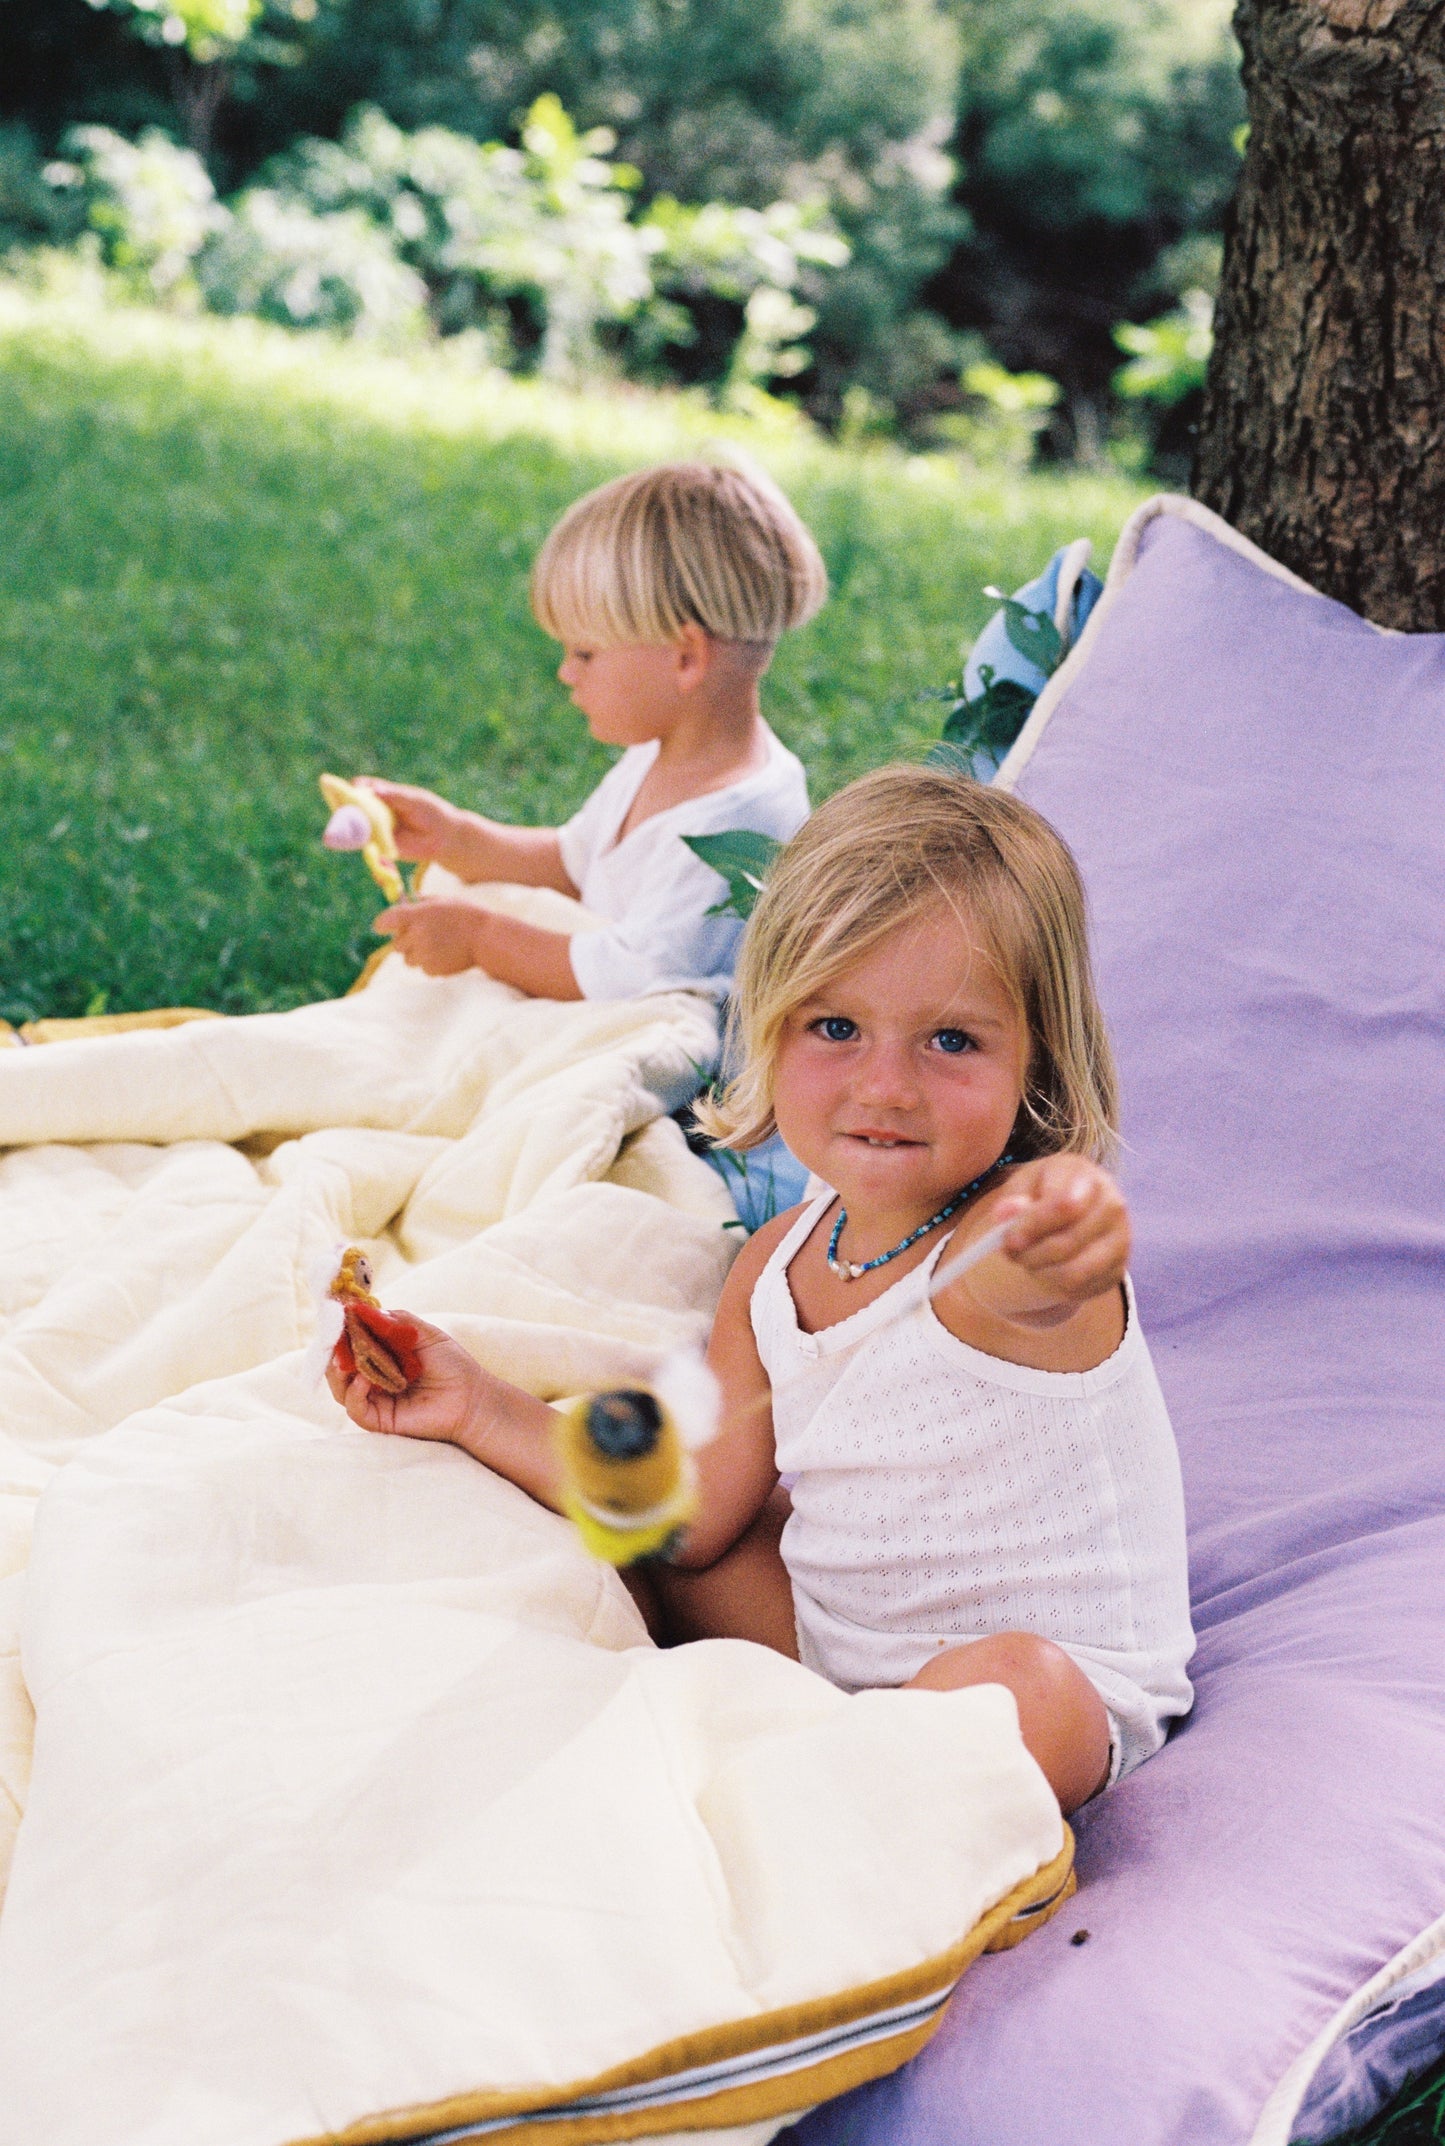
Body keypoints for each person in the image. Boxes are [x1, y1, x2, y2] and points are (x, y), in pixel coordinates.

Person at [326, 765, 1195, 1815]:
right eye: (834, 1027)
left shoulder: (999, 1250)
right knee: (671, 1552)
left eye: (951, 1039)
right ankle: (788, 1757)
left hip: (1039, 1685)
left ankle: (818, 1807)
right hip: (833, 1642)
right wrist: (475, 1403)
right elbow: (693, 1513)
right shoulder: (773, 1267)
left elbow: (1035, 1270)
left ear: (1036, 1063)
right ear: (771, 1025)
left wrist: (1069, 1222)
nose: (884, 1083)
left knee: (1021, 1687)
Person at [357, 459, 823, 1003]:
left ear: (686, 658)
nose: (566, 673)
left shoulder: (734, 827)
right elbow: (576, 864)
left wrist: (482, 939)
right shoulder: (663, 755)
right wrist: (455, 837)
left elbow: (634, 979)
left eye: (585, 652)